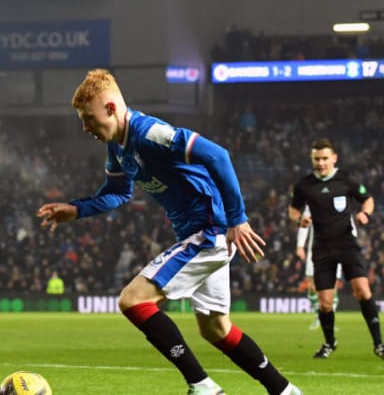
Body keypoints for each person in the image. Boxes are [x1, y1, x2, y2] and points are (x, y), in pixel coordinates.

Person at [36, 69, 301, 395]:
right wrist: (77, 210)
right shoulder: (118, 147)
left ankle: (203, 386)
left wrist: (238, 219)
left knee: (133, 301)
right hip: (200, 234)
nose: (84, 127)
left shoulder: (150, 134)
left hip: (209, 232)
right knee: (217, 330)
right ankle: (285, 391)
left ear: (110, 108)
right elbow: (118, 192)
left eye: (88, 118)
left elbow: (217, 155)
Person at [288, 138, 383, 360]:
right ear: (312, 159)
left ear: (334, 158)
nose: (320, 163)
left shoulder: (346, 180)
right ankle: (330, 343)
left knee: (362, 291)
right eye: (316, 159)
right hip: (322, 249)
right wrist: (298, 220)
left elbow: (367, 199)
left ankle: (379, 344)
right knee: (325, 302)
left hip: (347, 244)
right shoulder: (304, 185)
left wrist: (364, 214)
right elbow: (293, 210)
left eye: (324, 158)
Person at [294, 205, 341, 330]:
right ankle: (319, 316)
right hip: (315, 251)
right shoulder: (313, 201)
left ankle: (330, 320)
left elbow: (351, 225)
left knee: (333, 287)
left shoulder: (341, 198)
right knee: (312, 287)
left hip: (336, 250)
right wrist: (300, 246)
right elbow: (304, 225)